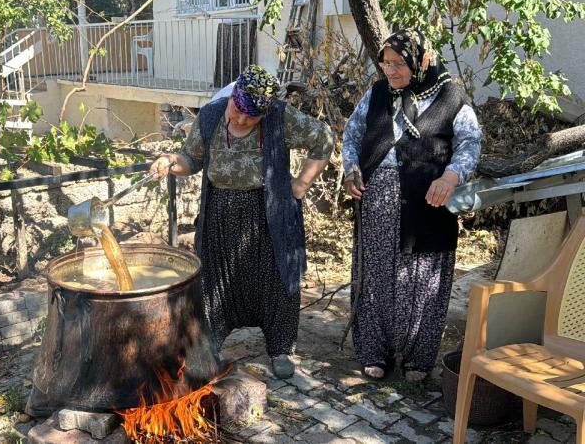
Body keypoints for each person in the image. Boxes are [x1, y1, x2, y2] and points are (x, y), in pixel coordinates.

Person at [150, 65, 335, 379]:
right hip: (220, 211)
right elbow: (190, 159)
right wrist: (169, 162)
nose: (241, 120)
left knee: (277, 282)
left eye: (251, 118)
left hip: (268, 212)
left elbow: (323, 138)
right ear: (232, 98)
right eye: (237, 112)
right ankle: (211, 343)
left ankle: (280, 349)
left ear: (265, 113)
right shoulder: (211, 116)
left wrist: (302, 184)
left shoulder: (280, 116)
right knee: (214, 283)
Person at [341, 29, 482, 382]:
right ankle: (375, 350)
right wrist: (351, 169)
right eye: (385, 63)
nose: (390, 71)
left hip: (429, 202)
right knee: (375, 276)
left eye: (398, 64)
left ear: (421, 61)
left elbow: (470, 143)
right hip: (377, 200)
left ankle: (418, 357)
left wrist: (451, 177)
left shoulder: (451, 97)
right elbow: (353, 135)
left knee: (422, 278)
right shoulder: (377, 94)